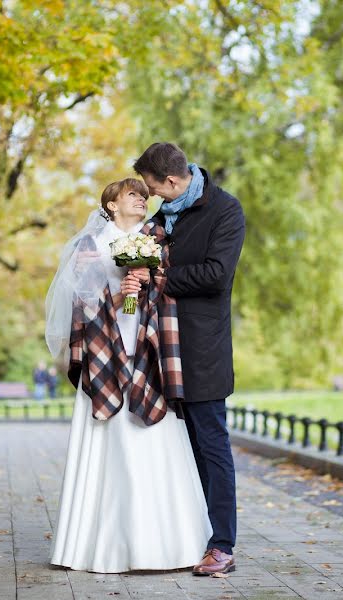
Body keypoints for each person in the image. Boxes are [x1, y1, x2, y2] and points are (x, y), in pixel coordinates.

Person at [45, 177, 211, 573]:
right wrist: (120, 295)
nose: (143, 200)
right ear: (112, 204)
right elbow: (80, 305)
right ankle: (97, 547)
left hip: (149, 347)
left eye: (144, 195)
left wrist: (147, 283)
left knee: (154, 440)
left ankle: (169, 546)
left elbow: (172, 289)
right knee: (111, 441)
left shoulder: (156, 237)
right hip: (106, 349)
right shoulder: (89, 247)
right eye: (133, 195)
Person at [121, 142, 246, 576]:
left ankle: (223, 546)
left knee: (211, 447)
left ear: (173, 180)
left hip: (202, 350)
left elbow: (217, 275)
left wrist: (159, 276)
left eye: (155, 188)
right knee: (179, 450)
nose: (152, 197)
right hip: (160, 350)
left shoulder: (225, 211)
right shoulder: (159, 219)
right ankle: (188, 536)